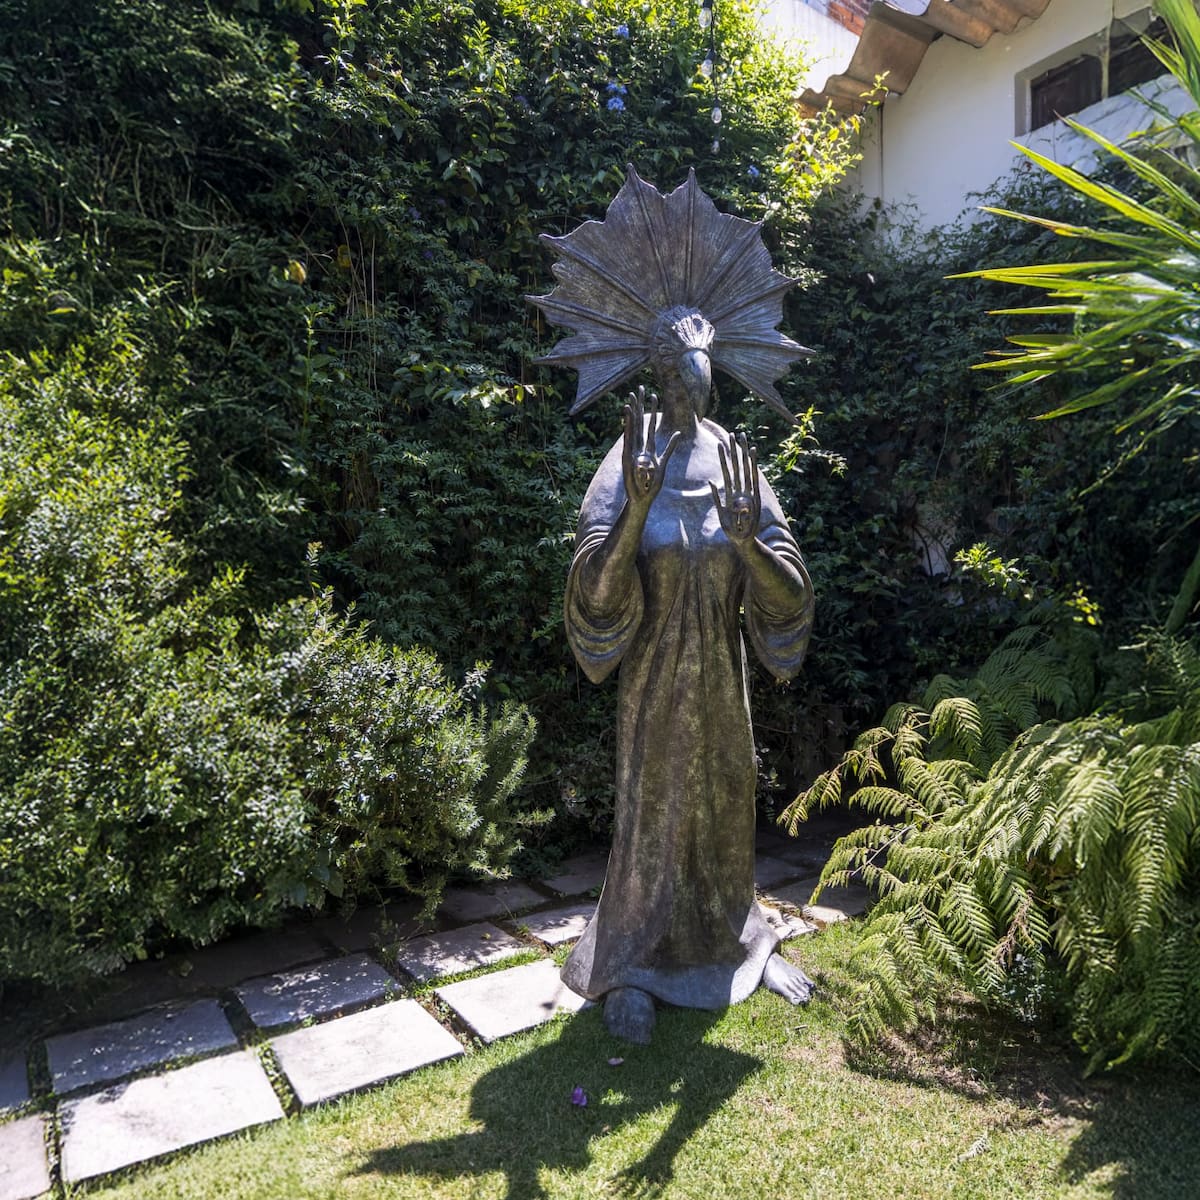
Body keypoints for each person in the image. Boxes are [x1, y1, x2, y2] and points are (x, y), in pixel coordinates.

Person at [530, 172, 817, 1044]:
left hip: (721, 685)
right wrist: (635, 513)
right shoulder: (629, 460)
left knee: (728, 810)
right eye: (676, 375)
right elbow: (594, 593)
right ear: (653, 374)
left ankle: (739, 946)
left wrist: (745, 542)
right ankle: (632, 969)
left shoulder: (737, 462)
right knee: (654, 817)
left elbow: (791, 593)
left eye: (700, 375)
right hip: (654, 686)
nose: (689, 391)